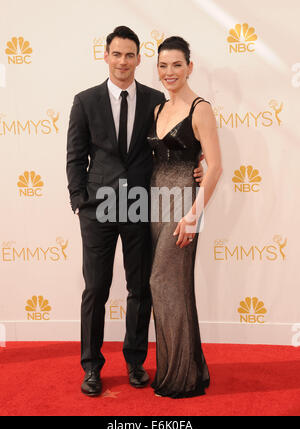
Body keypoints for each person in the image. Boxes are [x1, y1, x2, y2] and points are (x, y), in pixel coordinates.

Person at [66, 26, 204, 397]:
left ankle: (134, 361)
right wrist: (80, 201)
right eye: (116, 54)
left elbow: (172, 144)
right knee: (95, 288)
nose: (123, 61)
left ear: (139, 59)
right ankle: (92, 366)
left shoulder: (155, 101)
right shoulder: (86, 101)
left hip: (141, 205)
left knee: (139, 288)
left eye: (130, 55)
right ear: (106, 56)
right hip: (98, 207)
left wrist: (199, 165)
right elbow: (76, 157)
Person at [148, 36, 222, 398]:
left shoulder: (200, 108)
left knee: (162, 285)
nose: (169, 72)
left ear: (189, 66)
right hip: (153, 206)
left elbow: (217, 167)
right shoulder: (159, 109)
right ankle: (193, 369)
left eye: (177, 64)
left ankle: (179, 378)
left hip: (182, 207)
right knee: (176, 288)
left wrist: (193, 215)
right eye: (163, 65)